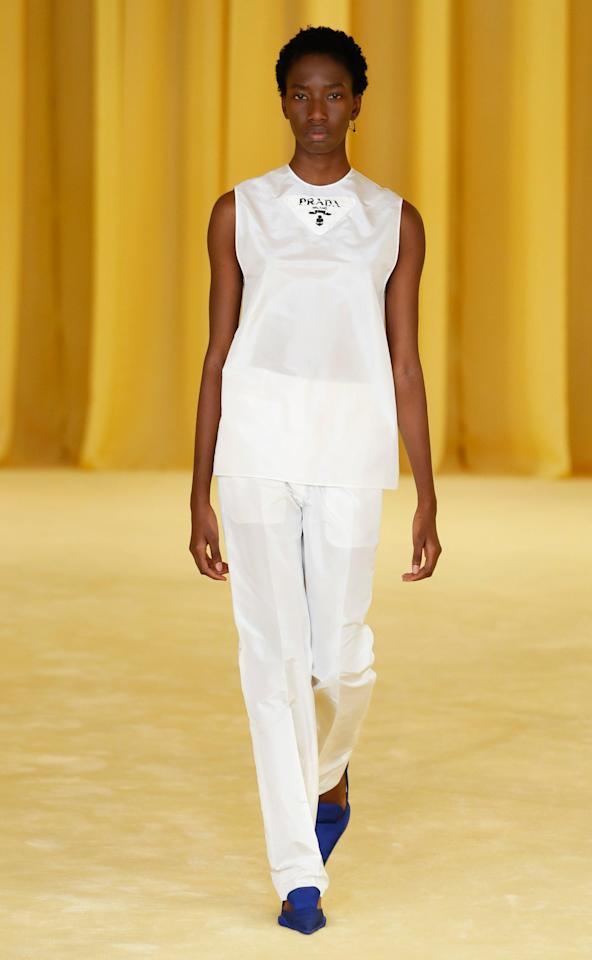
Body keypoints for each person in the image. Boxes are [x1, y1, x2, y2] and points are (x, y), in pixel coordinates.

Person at [189, 25, 442, 934]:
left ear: (358, 103)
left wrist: (427, 490)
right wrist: (197, 489)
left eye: (334, 93)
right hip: (256, 446)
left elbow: (403, 361)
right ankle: (300, 874)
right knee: (272, 659)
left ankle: (331, 774)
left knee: (339, 660)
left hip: (349, 449)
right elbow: (217, 352)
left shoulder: (394, 219)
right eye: (301, 93)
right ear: (283, 103)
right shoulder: (240, 211)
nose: (318, 110)